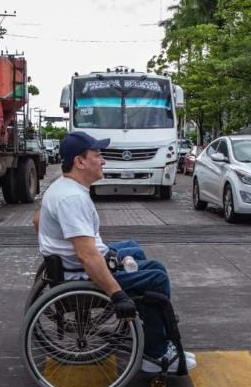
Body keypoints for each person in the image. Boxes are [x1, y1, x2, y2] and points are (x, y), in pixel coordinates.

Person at [33, 131, 196, 372]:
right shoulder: (72, 199)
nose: (104, 160)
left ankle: (155, 322)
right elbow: (87, 255)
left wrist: (56, 246)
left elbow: (38, 220)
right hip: (80, 275)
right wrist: (117, 294)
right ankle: (156, 353)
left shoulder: (62, 187)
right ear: (79, 162)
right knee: (156, 275)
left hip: (70, 266)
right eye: (97, 155)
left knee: (133, 249)